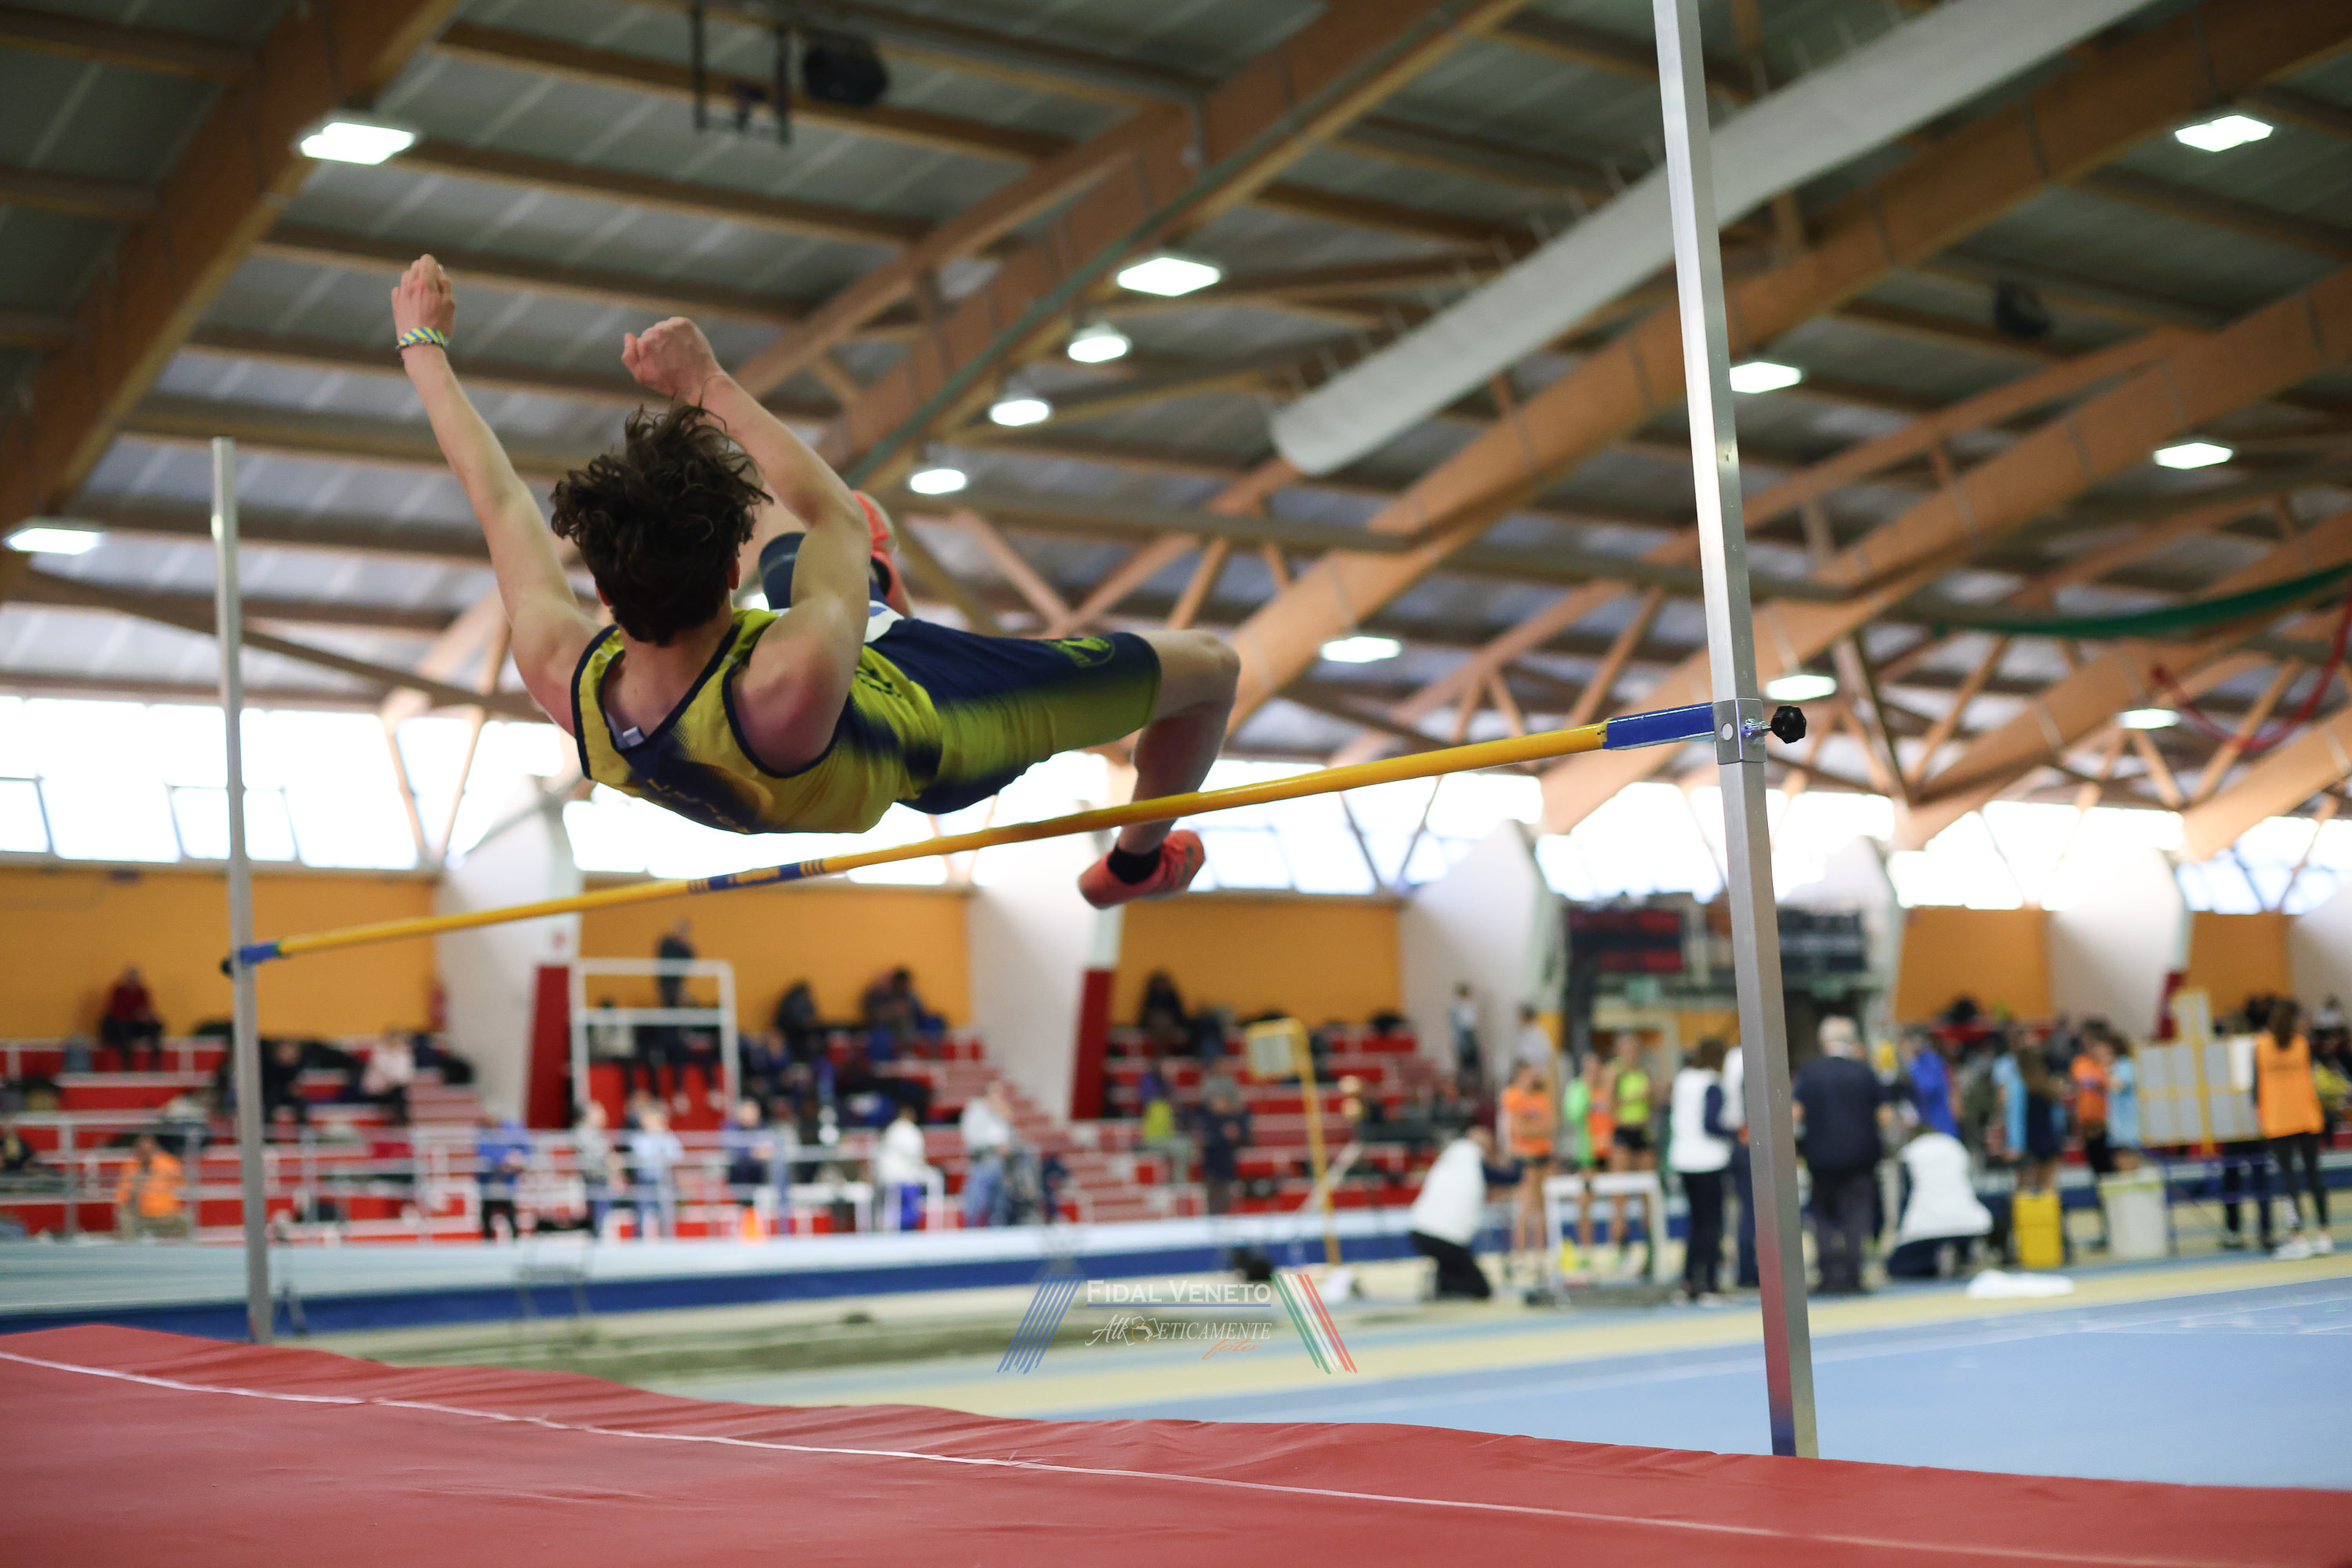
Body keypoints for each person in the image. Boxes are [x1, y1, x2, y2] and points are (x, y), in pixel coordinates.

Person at [390, 257, 1239, 910]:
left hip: (822, 691)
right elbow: (830, 510)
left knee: (814, 546)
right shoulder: (786, 676)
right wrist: (706, 384)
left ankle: (876, 601)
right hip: (941, 724)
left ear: (605, 594)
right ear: (730, 576)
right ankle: (1135, 866)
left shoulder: (565, 674)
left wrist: (423, 352)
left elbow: (497, 500)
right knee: (1210, 669)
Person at [1791, 1018, 1883, 1295]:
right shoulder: (1864, 1072)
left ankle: (1829, 1275)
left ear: (1824, 1041)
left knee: (1823, 1217)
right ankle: (1854, 1275)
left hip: (1820, 1157)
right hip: (1860, 1157)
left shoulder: (1810, 1073)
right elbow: (1884, 1114)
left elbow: (1795, 1112)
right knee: (1857, 1215)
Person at [2256, 1000, 2332, 1260]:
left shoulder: (2261, 1046)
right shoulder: (2301, 1044)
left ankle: (2298, 1238)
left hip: (2278, 1120)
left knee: (2289, 1180)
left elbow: (2255, 1088)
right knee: (2314, 1176)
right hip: (2306, 1116)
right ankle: (2323, 1235)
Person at [1668, 1038, 1735, 1303]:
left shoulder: (1683, 1080)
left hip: (1683, 1158)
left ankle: (1688, 1280)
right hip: (1709, 1159)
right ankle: (1708, 1282)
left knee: (1695, 1223)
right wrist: (1734, 1133)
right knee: (1711, 1224)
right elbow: (1711, 1123)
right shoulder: (1712, 1083)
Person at [1408, 1127, 1505, 1301]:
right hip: (1446, 1236)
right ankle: (1444, 1285)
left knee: (1453, 1264)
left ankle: (1442, 1283)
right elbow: (1507, 1177)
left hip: (1419, 1228)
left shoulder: (1449, 1157)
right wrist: (1521, 1162)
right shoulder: (1475, 1161)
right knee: (1481, 1289)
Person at [1883, 1127, 1992, 1279]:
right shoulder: (1955, 1146)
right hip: (1969, 1221)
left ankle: (1936, 1260)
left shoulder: (1911, 1152)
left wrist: (1900, 1228)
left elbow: (1906, 1193)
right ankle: (1961, 1254)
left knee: (1897, 1267)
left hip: (1926, 1226)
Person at [1601, 1035, 1656, 1268]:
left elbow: (1651, 1106)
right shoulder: (1614, 1072)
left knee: (1647, 1191)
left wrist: (1648, 1096)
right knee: (1619, 1192)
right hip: (1623, 1132)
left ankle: (1650, 1242)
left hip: (1641, 1131)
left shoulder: (1644, 1072)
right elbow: (1609, 1107)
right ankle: (1619, 1241)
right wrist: (1629, 1097)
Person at [1498, 1060, 1555, 1271]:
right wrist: (1536, 1130)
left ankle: (1541, 1252)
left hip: (1543, 1156)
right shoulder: (1512, 1096)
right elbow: (1518, 1129)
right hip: (1524, 1158)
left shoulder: (1541, 1098)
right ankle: (1520, 1253)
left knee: (1542, 1206)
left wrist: (1532, 1129)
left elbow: (1551, 1126)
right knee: (1525, 1205)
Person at [959, 1079, 1016, 1228]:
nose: (999, 1096)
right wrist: (993, 1146)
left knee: (999, 1204)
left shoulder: (1001, 1112)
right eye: (996, 1092)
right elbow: (972, 1137)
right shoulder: (977, 1109)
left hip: (1001, 1162)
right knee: (977, 1200)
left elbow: (1007, 1134)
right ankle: (969, 1230)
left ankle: (996, 1231)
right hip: (984, 1159)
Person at [112, 1134, 187, 1240]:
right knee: (124, 1216)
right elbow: (122, 1198)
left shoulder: (167, 1163)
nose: (146, 1154)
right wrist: (135, 1186)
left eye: (149, 1151)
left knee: (186, 1220)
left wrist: (181, 1167)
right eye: (142, 1151)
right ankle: (131, 1246)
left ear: (155, 1150)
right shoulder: (130, 1166)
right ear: (137, 1151)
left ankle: (184, 1248)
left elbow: (183, 1182)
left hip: (165, 1214)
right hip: (140, 1216)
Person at [626, 1106, 684, 1240]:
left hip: (662, 1179)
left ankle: (667, 1240)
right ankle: (638, 1240)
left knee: (666, 1213)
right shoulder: (638, 1138)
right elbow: (641, 1156)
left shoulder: (666, 1136)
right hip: (644, 1180)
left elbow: (677, 1155)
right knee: (641, 1212)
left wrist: (660, 1137)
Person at [1196, 1083, 1253, 1218]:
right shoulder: (1207, 1120)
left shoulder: (1231, 1119)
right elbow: (1204, 1140)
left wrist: (1236, 1134)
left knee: (1227, 1202)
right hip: (1212, 1167)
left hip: (1227, 1167)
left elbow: (1245, 1136)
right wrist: (1223, 1135)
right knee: (1214, 1201)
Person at [874, 1101, 931, 1230]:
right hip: (903, 1179)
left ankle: (891, 1228)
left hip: (888, 1178)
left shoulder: (891, 1129)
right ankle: (904, 1229)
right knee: (908, 1209)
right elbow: (917, 1155)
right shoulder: (908, 1129)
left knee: (891, 1208)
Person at [474, 1116, 532, 1242]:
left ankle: (515, 1243)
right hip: (489, 1183)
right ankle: (489, 1244)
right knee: (487, 1215)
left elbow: (525, 1154)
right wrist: (504, 1161)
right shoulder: (483, 1136)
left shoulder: (511, 1133)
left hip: (506, 1183)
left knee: (510, 1214)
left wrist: (516, 1161)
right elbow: (483, 1156)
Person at [99, 967, 164, 1071]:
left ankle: (155, 1062)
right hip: (123, 1023)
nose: (134, 981)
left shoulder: (142, 992)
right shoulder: (119, 991)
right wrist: (135, 1015)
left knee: (156, 1026)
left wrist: (145, 1016)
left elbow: (146, 1008)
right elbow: (117, 1011)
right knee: (122, 1030)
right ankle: (127, 1064)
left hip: (138, 1024)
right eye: (131, 978)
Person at [573, 1101, 620, 1238]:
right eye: (599, 1113)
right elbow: (600, 1154)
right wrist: (611, 1160)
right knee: (597, 1209)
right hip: (594, 1175)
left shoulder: (597, 1133)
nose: (603, 1116)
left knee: (603, 1208)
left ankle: (599, 1234)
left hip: (602, 1175)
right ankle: (597, 1236)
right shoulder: (583, 1132)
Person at [1904, 1033, 1958, 1139]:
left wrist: (1912, 1065)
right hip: (1927, 1124)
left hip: (1940, 1122)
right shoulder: (1918, 1062)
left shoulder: (1930, 1060)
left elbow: (1929, 1087)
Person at [357, 1030, 416, 1126]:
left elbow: (406, 1074)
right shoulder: (379, 1053)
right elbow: (385, 1072)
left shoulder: (404, 1054)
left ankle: (400, 1120)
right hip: (378, 1090)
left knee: (399, 1092)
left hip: (394, 1089)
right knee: (399, 1093)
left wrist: (396, 1081)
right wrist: (395, 1081)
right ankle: (401, 1121)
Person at [1449, 984, 1481, 1085]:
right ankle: (1466, 1086)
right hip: (1466, 1041)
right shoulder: (1461, 1008)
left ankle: (1469, 1085)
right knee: (1467, 1067)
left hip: (1465, 1040)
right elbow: (1467, 1027)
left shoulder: (1462, 1007)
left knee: (1470, 1068)